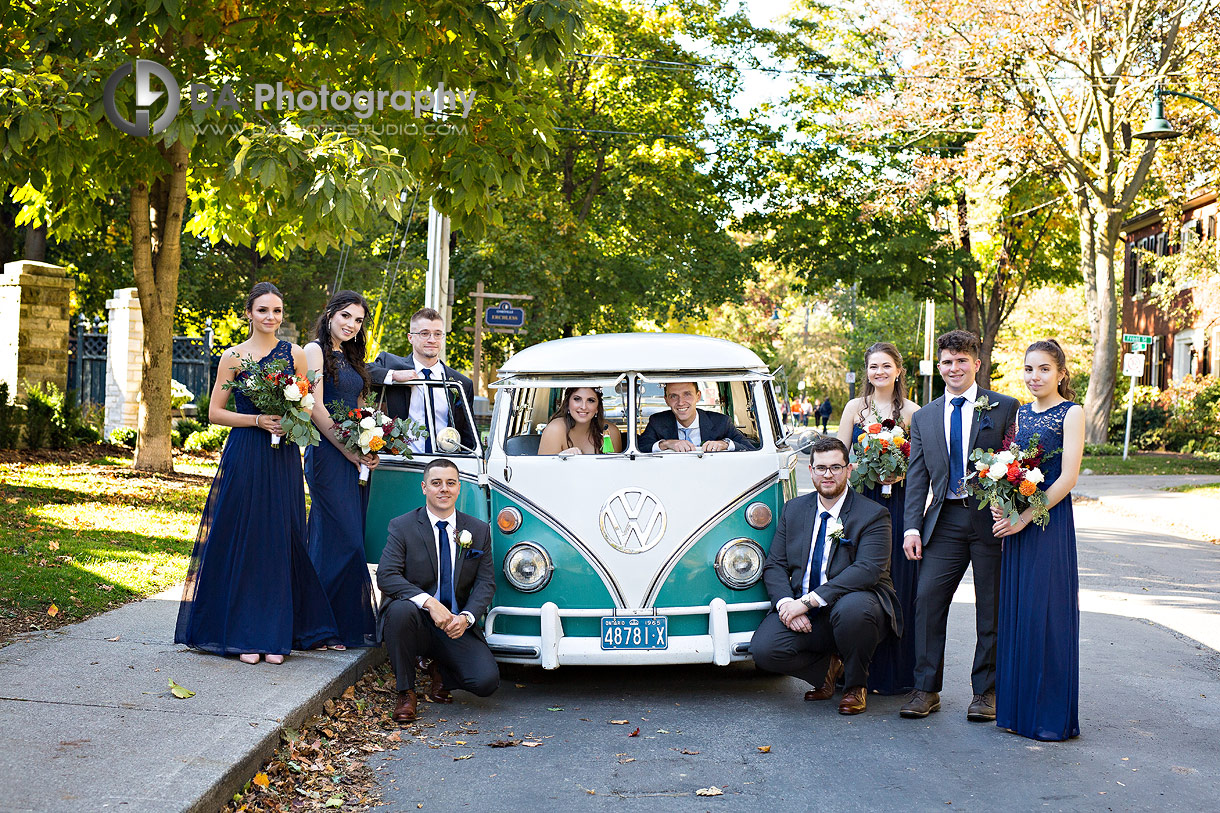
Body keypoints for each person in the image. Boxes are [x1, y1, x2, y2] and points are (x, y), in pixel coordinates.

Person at [175, 282, 339, 664]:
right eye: (263, 310)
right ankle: (244, 633)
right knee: (246, 537)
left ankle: (274, 633)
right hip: (246, 453)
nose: (271, 317)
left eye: (277, 311)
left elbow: (308, 404)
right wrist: (257, 419)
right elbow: (215, 413)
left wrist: (289, 417)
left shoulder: (296, 355)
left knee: (279, 539)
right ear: (248, 313)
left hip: (281, 458)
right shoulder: (232, 356)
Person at [900, 330, 1018, 721]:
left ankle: (986, 693)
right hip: (945, 519)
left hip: (989, 519)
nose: (954, 368)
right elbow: (917, 476)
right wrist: (911, 528)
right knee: (928, 601)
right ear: (939, 366)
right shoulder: (925, 416)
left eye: (962, 361)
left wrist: (1010, 512)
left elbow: (1017, 465)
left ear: (976, 364)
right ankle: (925, 688)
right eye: (948, 362)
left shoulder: (1003, 407)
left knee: (991, 607)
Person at [751, 435, 901, 715]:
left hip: (855, 608)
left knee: (853, 610)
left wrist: (808, 602)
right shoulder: (794, 509)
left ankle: (856, 686)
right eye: (821, 468)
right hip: (806, 611)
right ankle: (827, 672)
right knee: (764, 650)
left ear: (848, 469)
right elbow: (775, 565)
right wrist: (786, 604)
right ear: (811, 471)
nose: (828, 474)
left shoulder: (873, 514)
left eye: (835, 467)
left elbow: (868, 570)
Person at [991, 340, 1083, 741]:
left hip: (1048, 522)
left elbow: (1067, 478)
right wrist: (1002, 506)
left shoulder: (1072, 412)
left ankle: (1047, 716)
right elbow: (1008, 467)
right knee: (1020, 611)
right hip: (1018, 526)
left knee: (1047, 614)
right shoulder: (1021, 413)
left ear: (1061, 373)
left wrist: (1025, 517)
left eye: (1044, 369)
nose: (1035, 377)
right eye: (1029, 369)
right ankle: (1017, 711)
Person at [377, 458, 499, 723]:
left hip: (455, 623)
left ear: (458, 488)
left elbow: (486, 582)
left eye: (450, 483)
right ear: (424, 487)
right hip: (416, 620)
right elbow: (387, 576)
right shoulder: (403, 526)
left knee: (486, 682)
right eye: (436, 483)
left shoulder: (478, 530)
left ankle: (441, 670)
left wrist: (466, 618)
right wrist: (429, 603)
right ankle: (405, 692)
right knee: (399, 610)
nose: (444, 489)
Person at [837, 342, 920, 696]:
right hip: (862, 502)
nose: (880, 372)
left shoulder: (914, 412)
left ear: (899, 370)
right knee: (859, 579)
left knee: (898, 579)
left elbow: (921, 464)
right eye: (874, 367)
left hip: (899, 504)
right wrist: (858, 469)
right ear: (867, 371)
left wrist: (899, 474)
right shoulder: (855, 409)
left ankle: (898, 673)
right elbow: (839, 456)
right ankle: (855, 671)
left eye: (886, 366)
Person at [302, 291, 380, 650]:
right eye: (346, 316)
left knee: (340, 541)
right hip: (327, 454)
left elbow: (360, 407)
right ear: (330, 313)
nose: (351, 324)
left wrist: (370, 446)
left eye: (358, 320)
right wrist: (349, 450)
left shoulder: (352, 356)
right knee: (341, 539)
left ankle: (332, 626)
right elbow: (315, 408)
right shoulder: (314, 350)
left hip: (354, 457)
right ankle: (315, 626)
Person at [367, 308, 476, 453]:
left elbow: (468, 437)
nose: (432, 340)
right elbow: (361, 370)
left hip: (443, 463)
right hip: (400, 461)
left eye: (437, 334)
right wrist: (394, 376)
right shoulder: (390, 363)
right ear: (410, 337)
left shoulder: (461, 383)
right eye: (424, 333)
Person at [637, 381, 755, 452]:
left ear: (698, 396)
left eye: (687, 394)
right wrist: (666, 444)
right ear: (666, 400)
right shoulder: (657, 422)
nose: (681, 402)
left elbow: (749, 447)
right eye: (673, 396)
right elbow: (640, 448)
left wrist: (725, 444)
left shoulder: (721, 422)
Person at [537, 387, 623, 455]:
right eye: (577, 399)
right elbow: (544, 473)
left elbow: (615, 471)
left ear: (597, 407)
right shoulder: (555, 430)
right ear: (567, 403)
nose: (583, 406)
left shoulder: (610, 431)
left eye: (591, 400)